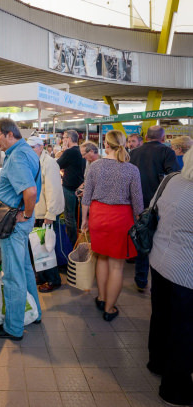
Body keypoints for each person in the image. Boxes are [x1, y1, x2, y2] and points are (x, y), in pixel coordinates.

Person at [0, 118, 42, 341]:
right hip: (20, 222)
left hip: (13, 224)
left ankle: (13, 328)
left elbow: (30, 192)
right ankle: (35, 312)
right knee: (25, 269)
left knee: (13, 275)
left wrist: (26, 214)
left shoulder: (18, 157)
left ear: (10, 134)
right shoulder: (26, 151)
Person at [147, 147, 193, 406]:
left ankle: (156, 362)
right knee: (184, 328)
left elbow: (153, 209)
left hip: (160, 259)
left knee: (162, 315)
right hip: (187, 272)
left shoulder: (171, 179)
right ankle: (175, 389)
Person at [81, 130, 143, 321]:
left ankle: (100, 297)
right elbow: (138, 202)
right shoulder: (131, 169)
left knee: (101, 259)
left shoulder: (95, 166)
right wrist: (139, 221)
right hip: (121, 219)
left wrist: (84, 220)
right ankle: (109, 309)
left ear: (106, 145)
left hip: (98, 217)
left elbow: (86, 196)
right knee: (117, 266)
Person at [130, 125, 179, 291]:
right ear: (163, 138)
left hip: (135, 201)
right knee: (156, 240)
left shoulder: (133, 152)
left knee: (141, 238)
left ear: (146, 137)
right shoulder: (166, 152)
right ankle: (156, 279)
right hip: (157, 203)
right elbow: (173, 175)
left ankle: (140, 279)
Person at [27, 136, 65, 293]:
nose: (30, 150)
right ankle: (41, 276)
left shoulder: (49, 163)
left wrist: (51, 214)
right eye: (28, 148)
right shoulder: (33, 162)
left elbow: (53, 190)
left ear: (41, 147)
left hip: (45, 213)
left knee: (46, 248)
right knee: (37, 247)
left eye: (33, 147)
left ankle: (53, 279)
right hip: (36, 212)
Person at [57, 129, 86, 246]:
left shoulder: (69, 152)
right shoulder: (81, 150)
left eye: (64, 138)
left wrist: (62, 150)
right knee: (76, 216)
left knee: (69, 217)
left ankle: (71, 244)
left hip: (69, 187)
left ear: (69, 139)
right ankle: (78, 242)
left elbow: (57, 164)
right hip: (79, 187)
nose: (63, 140)